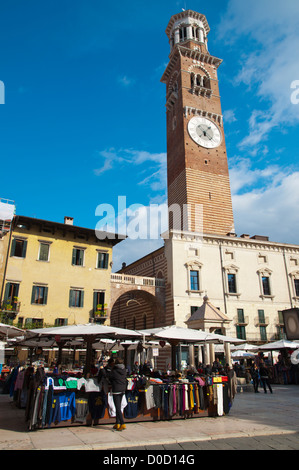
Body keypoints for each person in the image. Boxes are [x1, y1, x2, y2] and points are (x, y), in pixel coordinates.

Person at [109, 358, 127, 431]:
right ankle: (117, 423)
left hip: (116, 389)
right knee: (118, 406)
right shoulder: (124, 370)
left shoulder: (114, 371)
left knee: (118, 407)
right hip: (122, 389)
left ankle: (122, 423)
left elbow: (109, 377)